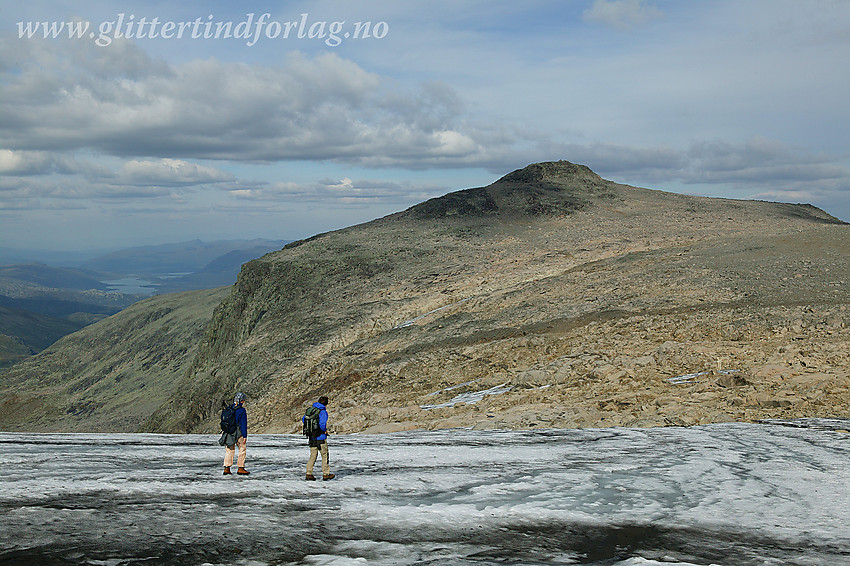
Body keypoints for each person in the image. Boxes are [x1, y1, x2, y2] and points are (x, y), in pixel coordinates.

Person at [303, 396, 334, 481]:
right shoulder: (323, 411)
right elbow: (322, 423)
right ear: (326, 403)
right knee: (324, 455)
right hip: (320, 437)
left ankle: (309, 473)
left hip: (311, 437)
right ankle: (326, 474)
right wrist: (323, 431)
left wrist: (311, 429)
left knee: (313, 455)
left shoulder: (310, 410)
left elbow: (303, 420)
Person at [223, 392, 250, 476]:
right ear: (242, 400)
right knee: (242, 448)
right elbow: (243, 423)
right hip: (238, 432)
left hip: (229, 432)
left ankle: (227, 468)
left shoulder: (229, 408)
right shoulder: (241, 410)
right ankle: (240, 468)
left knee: (229, 450)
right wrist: (244, 435)